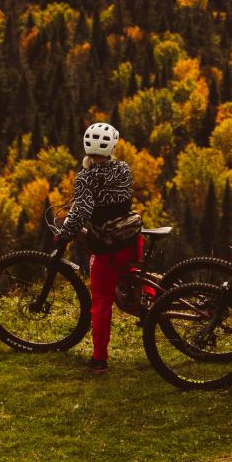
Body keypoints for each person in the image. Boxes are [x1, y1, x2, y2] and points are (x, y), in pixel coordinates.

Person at [50, 120, 141, 373]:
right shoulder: (124, 168)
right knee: (133, 278)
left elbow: (82, 210)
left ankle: (99, 359)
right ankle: (153, 310)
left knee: (101, 301)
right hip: (131, 238)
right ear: (113, 146)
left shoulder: (85, 177)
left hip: (107, 246)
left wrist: (65, 233)